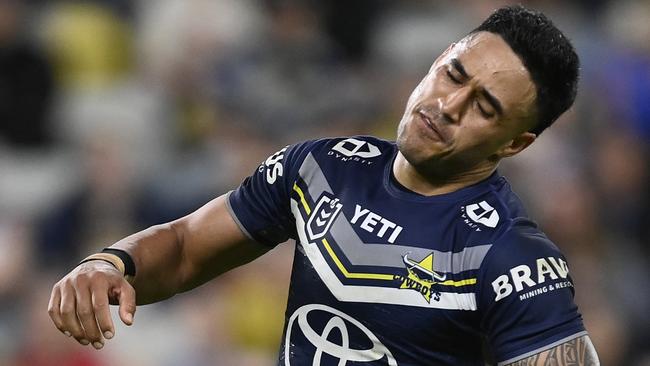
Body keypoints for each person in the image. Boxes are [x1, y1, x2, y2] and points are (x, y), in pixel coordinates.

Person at [48, 5, 600, 365]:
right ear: (436, 61)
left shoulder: (510, 257)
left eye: (483, 107)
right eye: (453, 74)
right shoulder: (322, 167)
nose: (446, 105)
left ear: (515, 144)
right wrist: (111, 265)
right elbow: (188, 247)